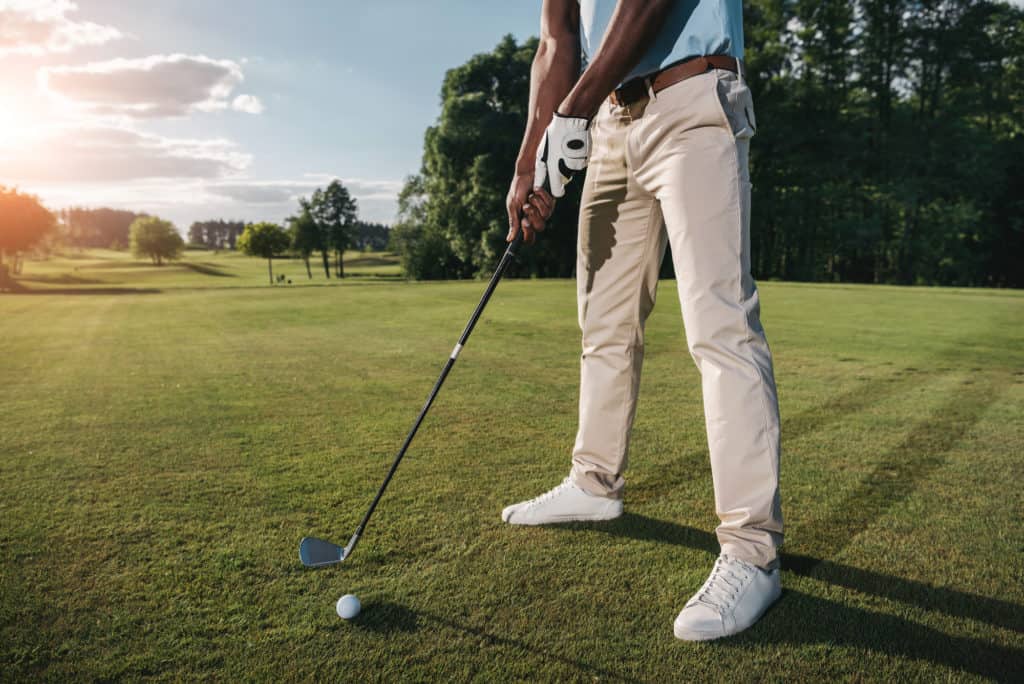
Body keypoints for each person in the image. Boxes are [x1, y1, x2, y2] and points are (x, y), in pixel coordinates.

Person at [502, 0, 784, 641]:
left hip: (692, 100)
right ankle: (593, 481)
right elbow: (557, 40)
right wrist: (530, 161)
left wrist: (572, 110)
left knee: (721, 330)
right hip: (607, 124)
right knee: (602, 326)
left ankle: (752, 551)